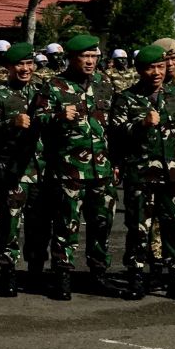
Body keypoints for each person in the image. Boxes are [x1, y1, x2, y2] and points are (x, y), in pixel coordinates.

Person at [32, 34, 118, 301]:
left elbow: (113, 127)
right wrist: (58, 116)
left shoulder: (105, 84)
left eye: (94, 56)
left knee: (101, 223)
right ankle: (62, 275)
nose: (90, 62)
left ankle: (98, 274)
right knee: (66, 223)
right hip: (69, 169)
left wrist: (115, 162)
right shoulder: (54, 86)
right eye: (85, 57)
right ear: (72, 58)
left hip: (101, 169)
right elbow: (37, 119)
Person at [108, 45, 175, 301]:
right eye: (151, 68)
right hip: (141, 174)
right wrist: (140, 124)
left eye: (161, 67)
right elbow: (116, 132)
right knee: (138, 228)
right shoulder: (127, 98)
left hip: (173, 174)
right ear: (140, 70)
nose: (156, 73)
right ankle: (137, 275)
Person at [0, 42, 45, 296]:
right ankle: (8, 273)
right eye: (20, 64)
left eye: (29, 64)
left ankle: (36, 272)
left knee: (39, 225)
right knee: (10, 225)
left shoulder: (43, 92)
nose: (25, 69)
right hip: (12, 171)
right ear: (9, 67)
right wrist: (12, 122)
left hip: (41, 170)